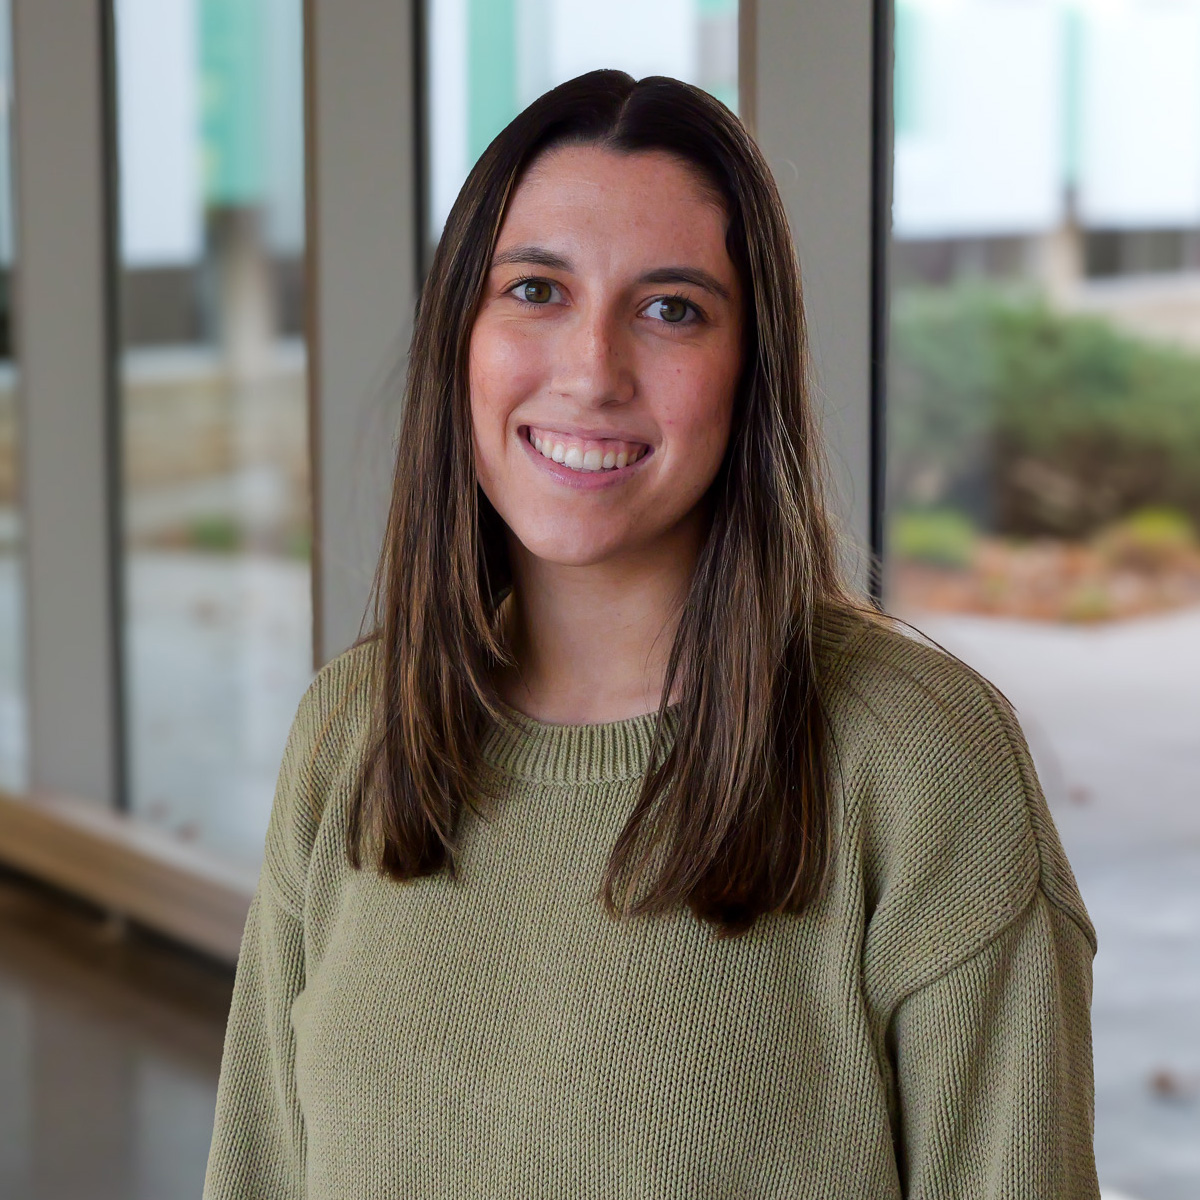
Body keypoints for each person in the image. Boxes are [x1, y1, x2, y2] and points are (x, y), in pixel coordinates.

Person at [204, 71, 1099, 1199]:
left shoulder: (918, 762)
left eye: (672, 308)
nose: (591, 372)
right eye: (535, 290)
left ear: (750, 370)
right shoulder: (354, 732)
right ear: (460, 340)